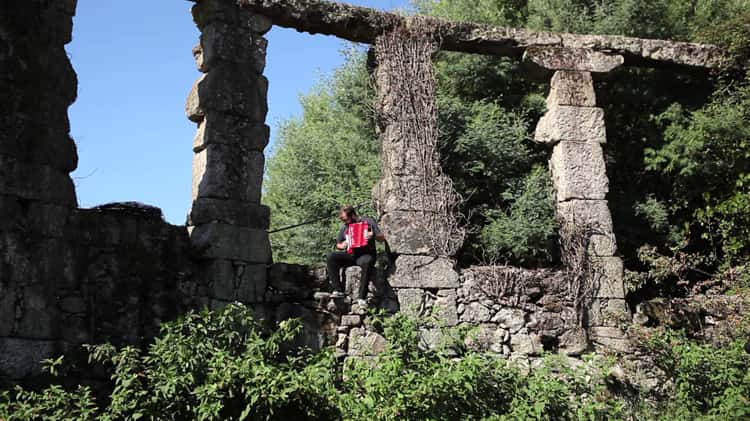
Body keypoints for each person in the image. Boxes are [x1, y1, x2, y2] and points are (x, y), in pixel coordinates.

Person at [326, 205, 386, 307]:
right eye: (344, 220)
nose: (345, 222)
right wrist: (343, 245)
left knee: (367, 262)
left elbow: (382, 238)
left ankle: (362, 297)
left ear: (353, 215)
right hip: (352, 255)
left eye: (347, 220)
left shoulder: (368, 222)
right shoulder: (345, 227)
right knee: (331, 257)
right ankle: (337, 290)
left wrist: (372, 235)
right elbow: (338, 244)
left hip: (366, 254)